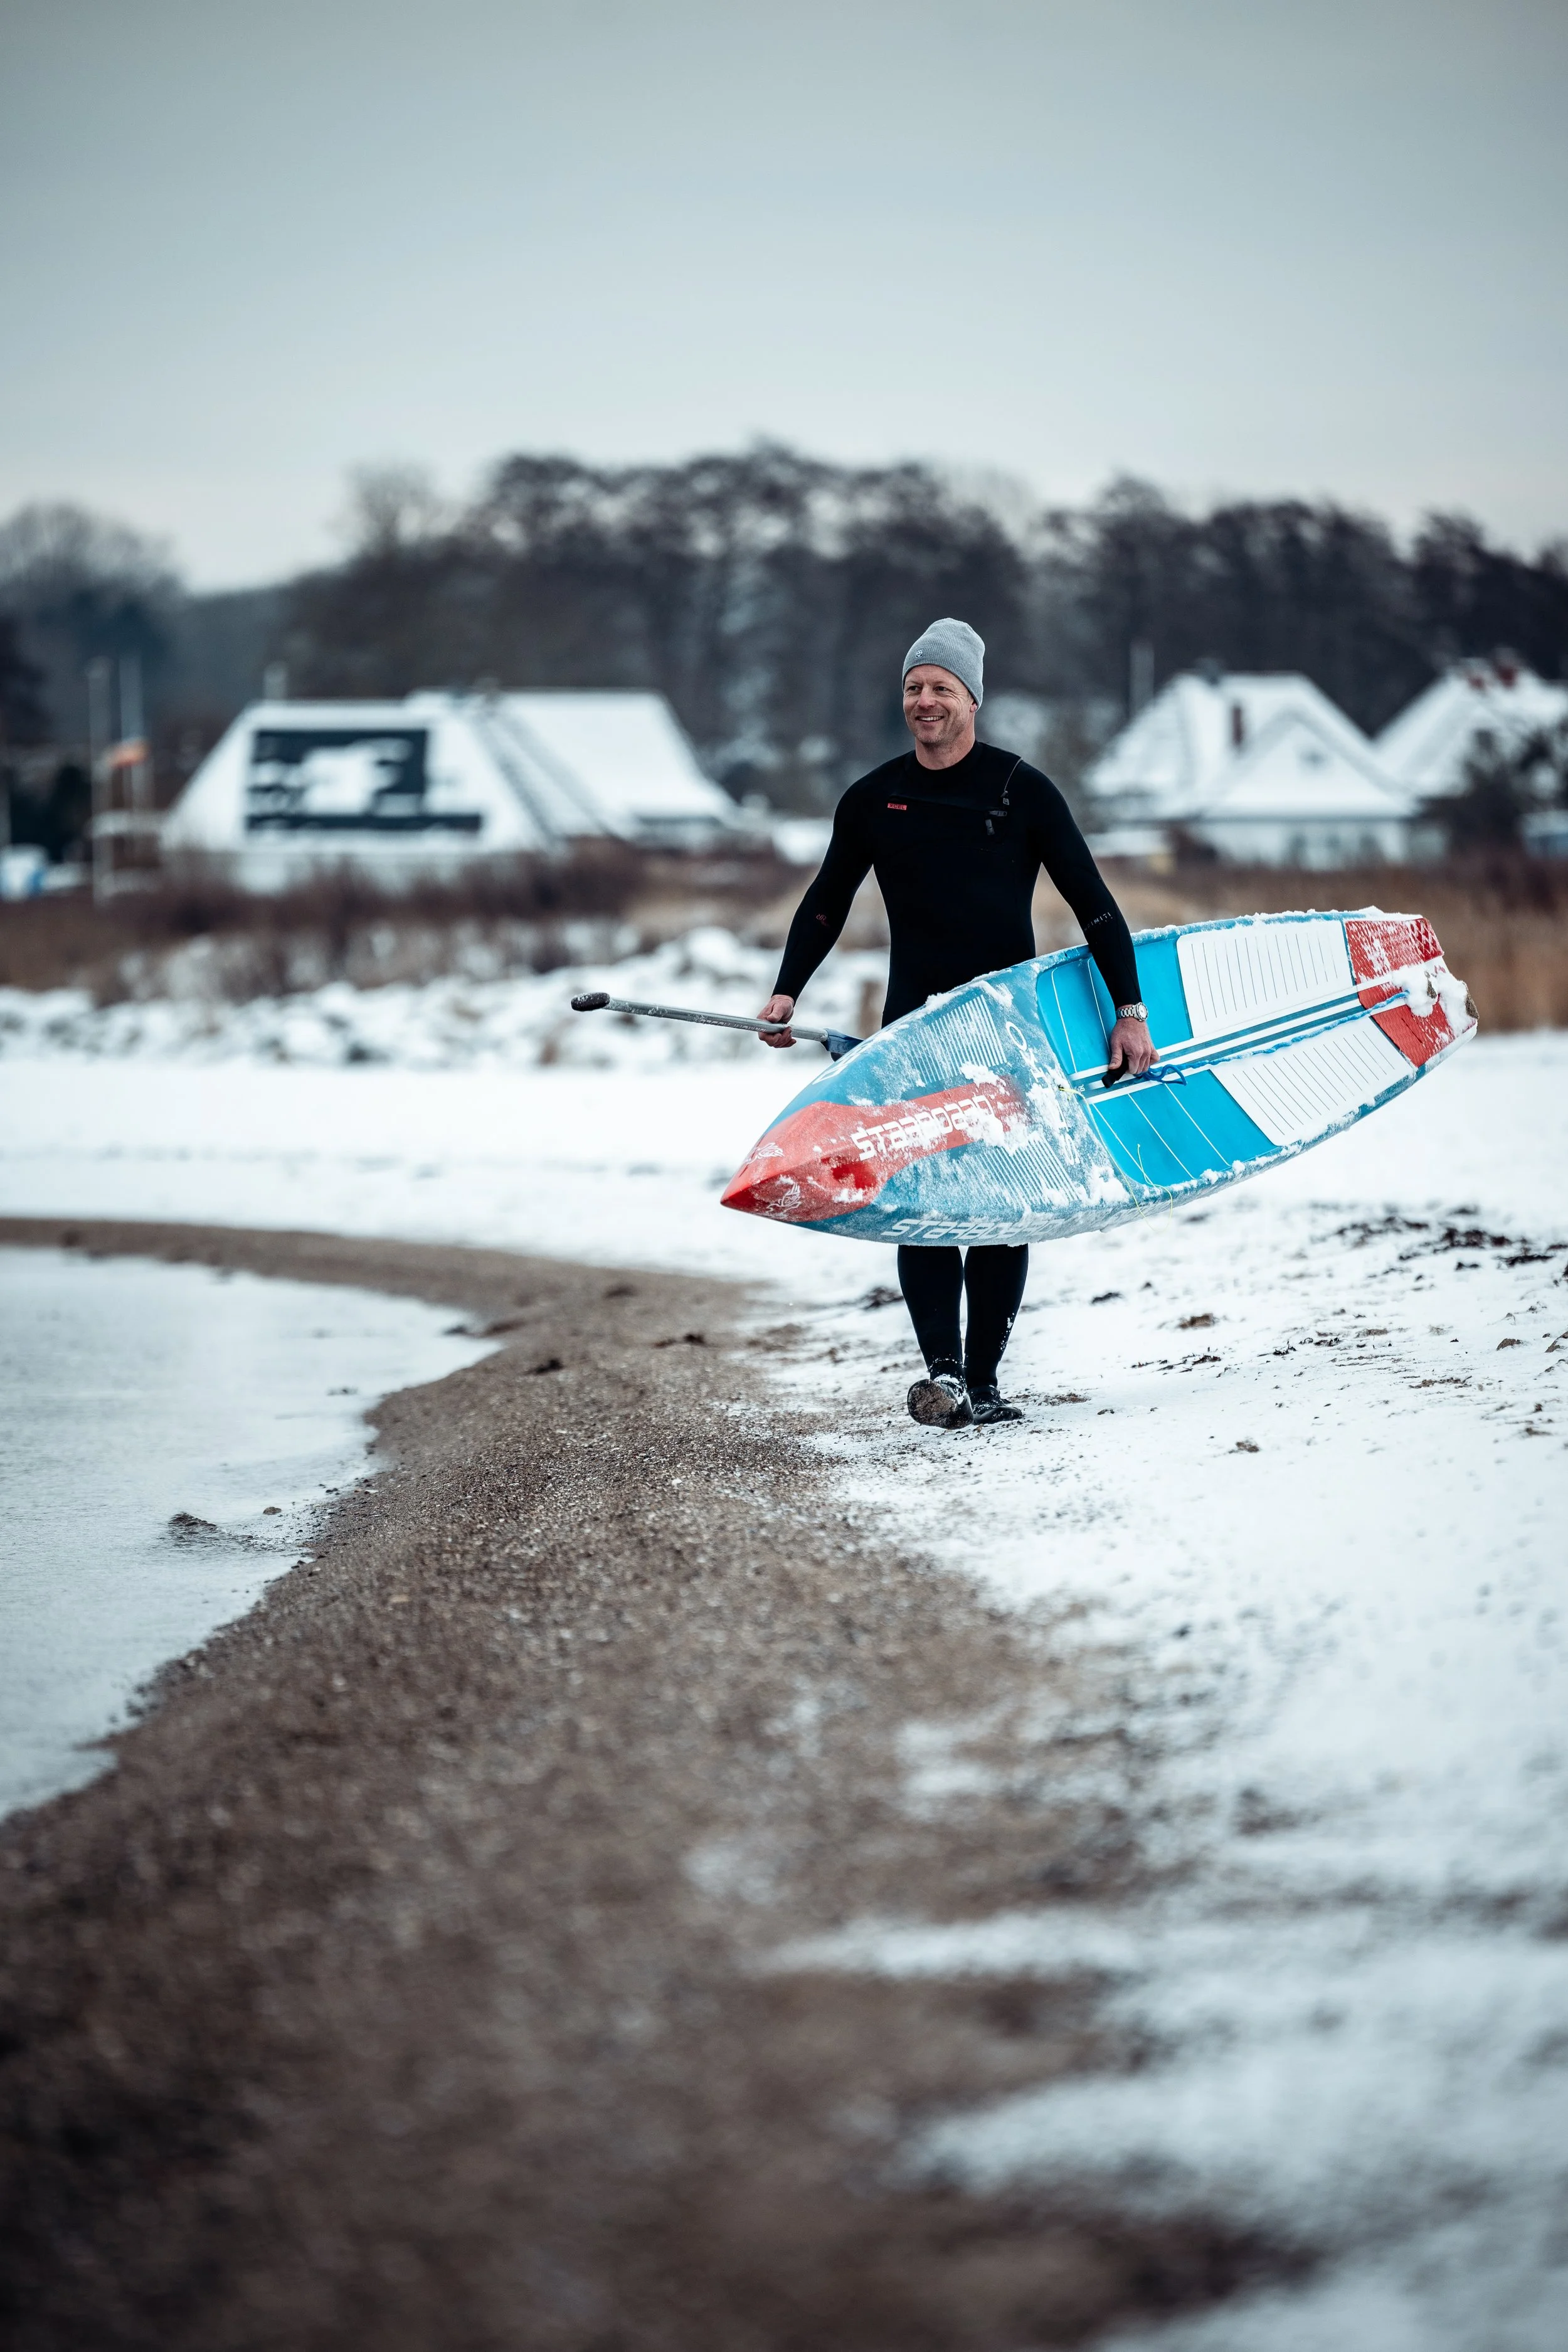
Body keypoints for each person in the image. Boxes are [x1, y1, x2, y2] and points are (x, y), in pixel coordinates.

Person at [757, 617, 1157, 1432]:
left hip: (1007, 1034)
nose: (924, 700)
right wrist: (786, 991)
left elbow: (1095, 904)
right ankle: (942, 1371)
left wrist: (1129, 1011)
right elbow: (827, 899)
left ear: (973, 698)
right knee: (924, 1200)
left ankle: (985, 1379)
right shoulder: (873, 799)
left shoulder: (1020, 791)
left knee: (1003, 1205)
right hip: (914, 1033)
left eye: (941, 686)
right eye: (914, 686)